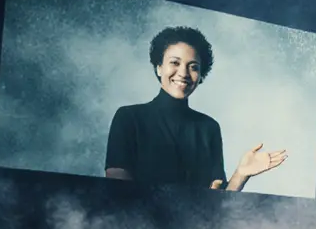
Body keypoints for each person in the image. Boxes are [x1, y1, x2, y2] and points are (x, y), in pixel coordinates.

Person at [104, 26, 287, 190]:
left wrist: (241, 174)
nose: (183, 73)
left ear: (200, 76)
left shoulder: (209, 127)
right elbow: (118, 187)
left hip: (196, 228)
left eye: (193, 67)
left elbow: (216, 205)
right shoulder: (129, 117)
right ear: (159, 68)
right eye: (174, 63)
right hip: (137, 225)